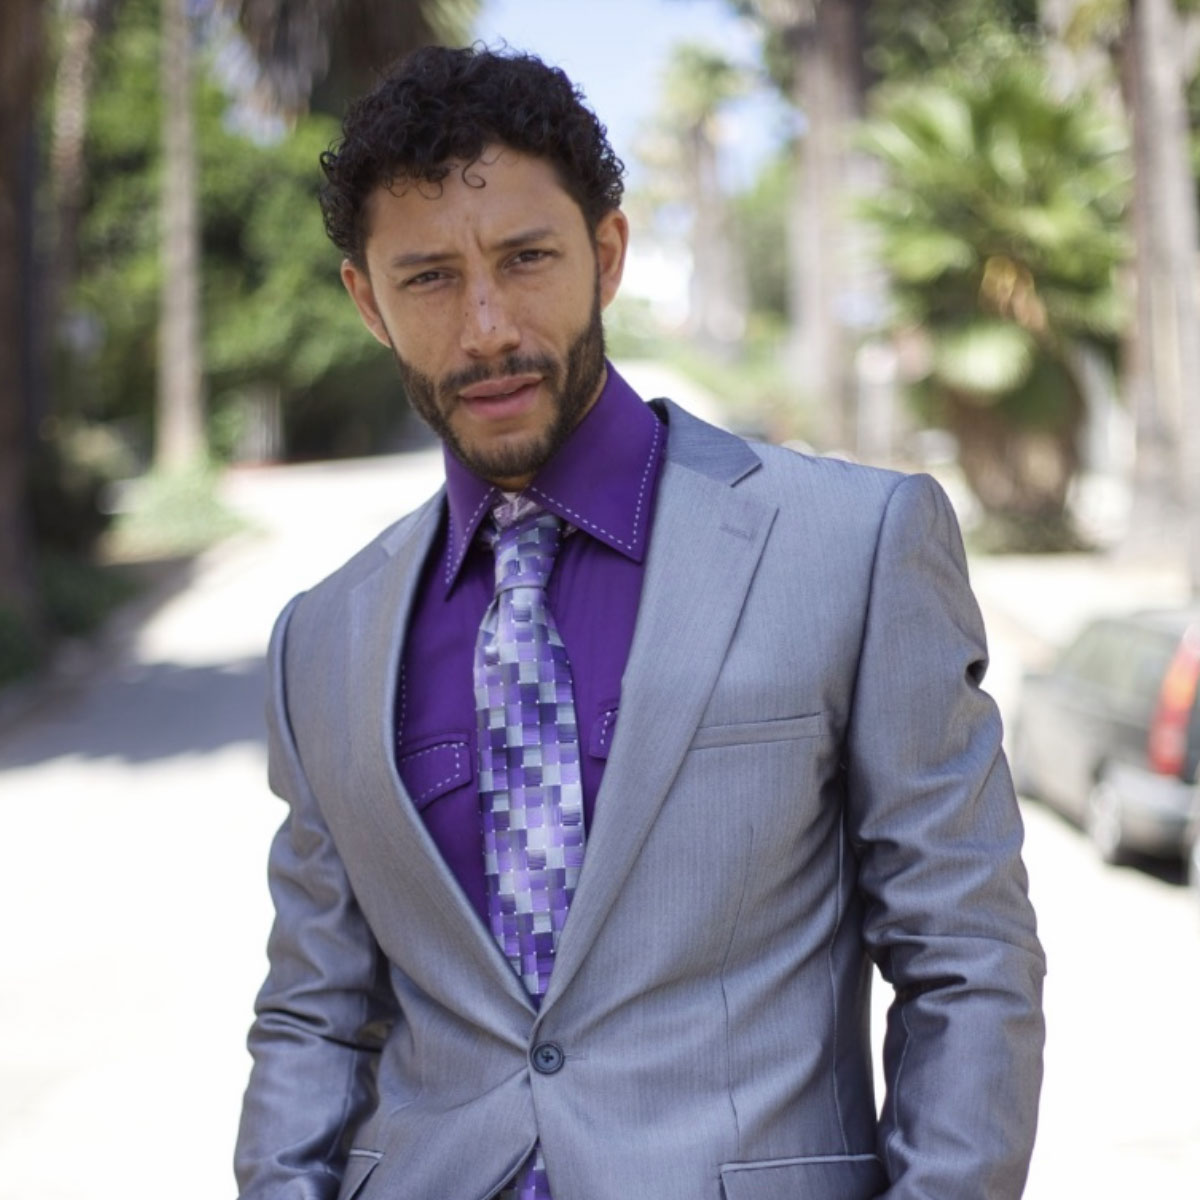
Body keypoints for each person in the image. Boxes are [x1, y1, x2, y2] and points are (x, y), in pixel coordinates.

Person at [234, 44, 1046, 1200]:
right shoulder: (321, 638)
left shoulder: (851, 546)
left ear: (606, 253)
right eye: (427, 279)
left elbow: (966, 957)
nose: (487, 327)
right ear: (367, 300)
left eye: (526, 259)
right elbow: (313, 1017)